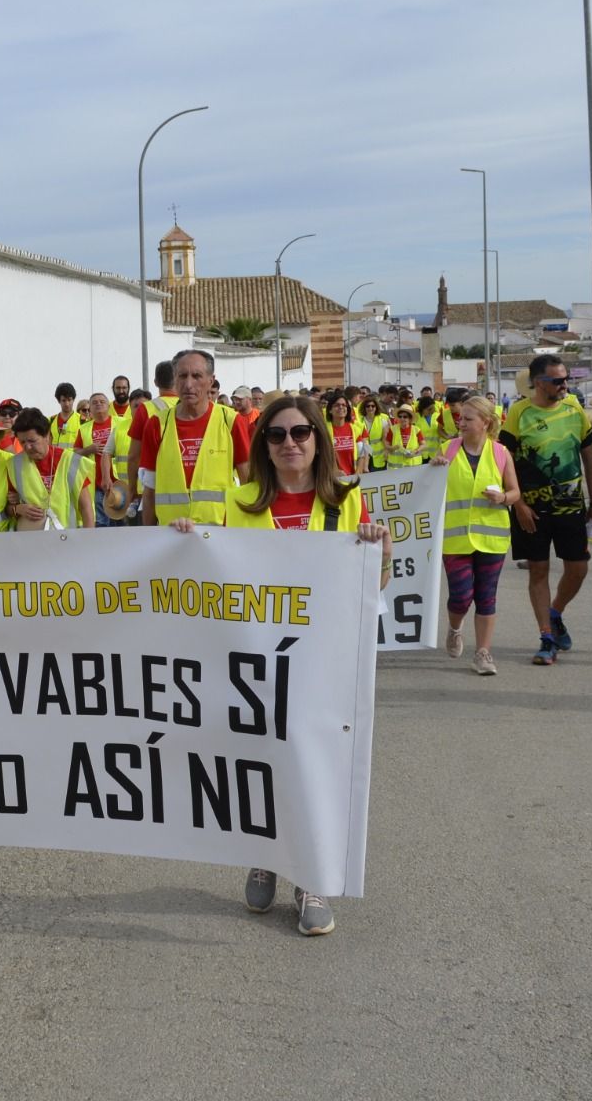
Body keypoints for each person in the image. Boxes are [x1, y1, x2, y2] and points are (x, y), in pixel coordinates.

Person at [172, 394, 391, 937]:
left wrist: (378, 552)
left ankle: (311, 876)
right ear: (262, 444)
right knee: (262, 758)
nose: (288, 443)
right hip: (254, 660)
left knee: (315, 763)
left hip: (323, 661)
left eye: (299, 433)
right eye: (275, 435)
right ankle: (265, 852)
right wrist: (179, 545)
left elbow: (373, 588)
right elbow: (210, 575)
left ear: (318, 439)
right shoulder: (237, 500)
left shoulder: (347, 501)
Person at [501, 355, 592, 666]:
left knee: (578, 569)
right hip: (532, 509)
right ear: (538, 383)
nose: (564, 385)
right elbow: (504, 462)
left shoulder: (574, 408)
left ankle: (555, 612)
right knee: (539, 570)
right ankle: (546, 636)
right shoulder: (519, 413)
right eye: (557, 380)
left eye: (566, 379)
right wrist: (518, 503)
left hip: (572, 506)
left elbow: (588, 457)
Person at [430, 395, 521, 675]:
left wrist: (503, 497)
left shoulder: (500, 453)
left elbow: (516, 493)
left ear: (486, 423)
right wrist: (432, 471)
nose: (462, 422)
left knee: (486, 597)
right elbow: (429, 489)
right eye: (461, 417)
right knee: (461, 596)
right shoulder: (448, 449)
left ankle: (483, 653)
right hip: (455, 540)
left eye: (469, 418)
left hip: (491, 539)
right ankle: (455, 628)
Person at [139, 350, 251, 526]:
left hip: (219, 536)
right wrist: (150, 538)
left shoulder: (231, 421)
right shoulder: (157, 424)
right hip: (171, 535)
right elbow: (150, 489)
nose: (188, 384)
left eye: (196, 376)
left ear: (210, 381)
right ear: (175, 379)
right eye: (182, 376)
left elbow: (248, 484)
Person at [9, 407, 95, 529]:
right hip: (30, 541)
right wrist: (17, 509)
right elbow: (7, 507)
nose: (27, 447)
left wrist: (89, 539)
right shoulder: (14, 465)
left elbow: (86, 507)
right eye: (22, 442)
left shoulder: (70, 461)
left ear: (47, 435)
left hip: (66, 538)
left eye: (32, 441)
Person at [126, 359, 177, 517]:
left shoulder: (146, 409)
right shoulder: (191, 405)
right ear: (177, 378)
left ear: (155, 382)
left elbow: (134, 455)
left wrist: (132, 488)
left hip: (152, 488)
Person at [82, 392, 125, 526]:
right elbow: (74, 454)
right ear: (90, 409)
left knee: (123, 524)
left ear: (108, 406)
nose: (98, 404)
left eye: (102, 401)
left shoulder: (121, 423)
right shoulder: (83, 429)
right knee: (101, 525)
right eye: (94, 402)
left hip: (121, 484)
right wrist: (88, 450)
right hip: (96, 486)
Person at [325, 391, 366, 476]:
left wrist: (358, 472)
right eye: (337, 405)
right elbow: (322, 456)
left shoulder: (355, 429)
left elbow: (361, 454)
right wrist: (334, 471)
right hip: (332, 479)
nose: (341, 407)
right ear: (330, 410)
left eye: (344, 405)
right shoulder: (324, 431)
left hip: (353, 478)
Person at [50, 382, 85, 449]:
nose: (67, 404)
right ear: (59, 401)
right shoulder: (51, 420)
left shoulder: (82, 420)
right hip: (55, 458)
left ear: (73, 400)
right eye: (64, 400)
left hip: (73, 459)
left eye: (69, 400)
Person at [360, 394, 390, 471]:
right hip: (363, 454)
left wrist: (387, 451)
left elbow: (389, 437)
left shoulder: (383, 418)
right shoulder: (359, 420)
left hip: (379, 455)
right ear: (364, 407)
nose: (370, 408)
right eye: (368, 406)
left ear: (376, 407)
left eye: (373, 406)